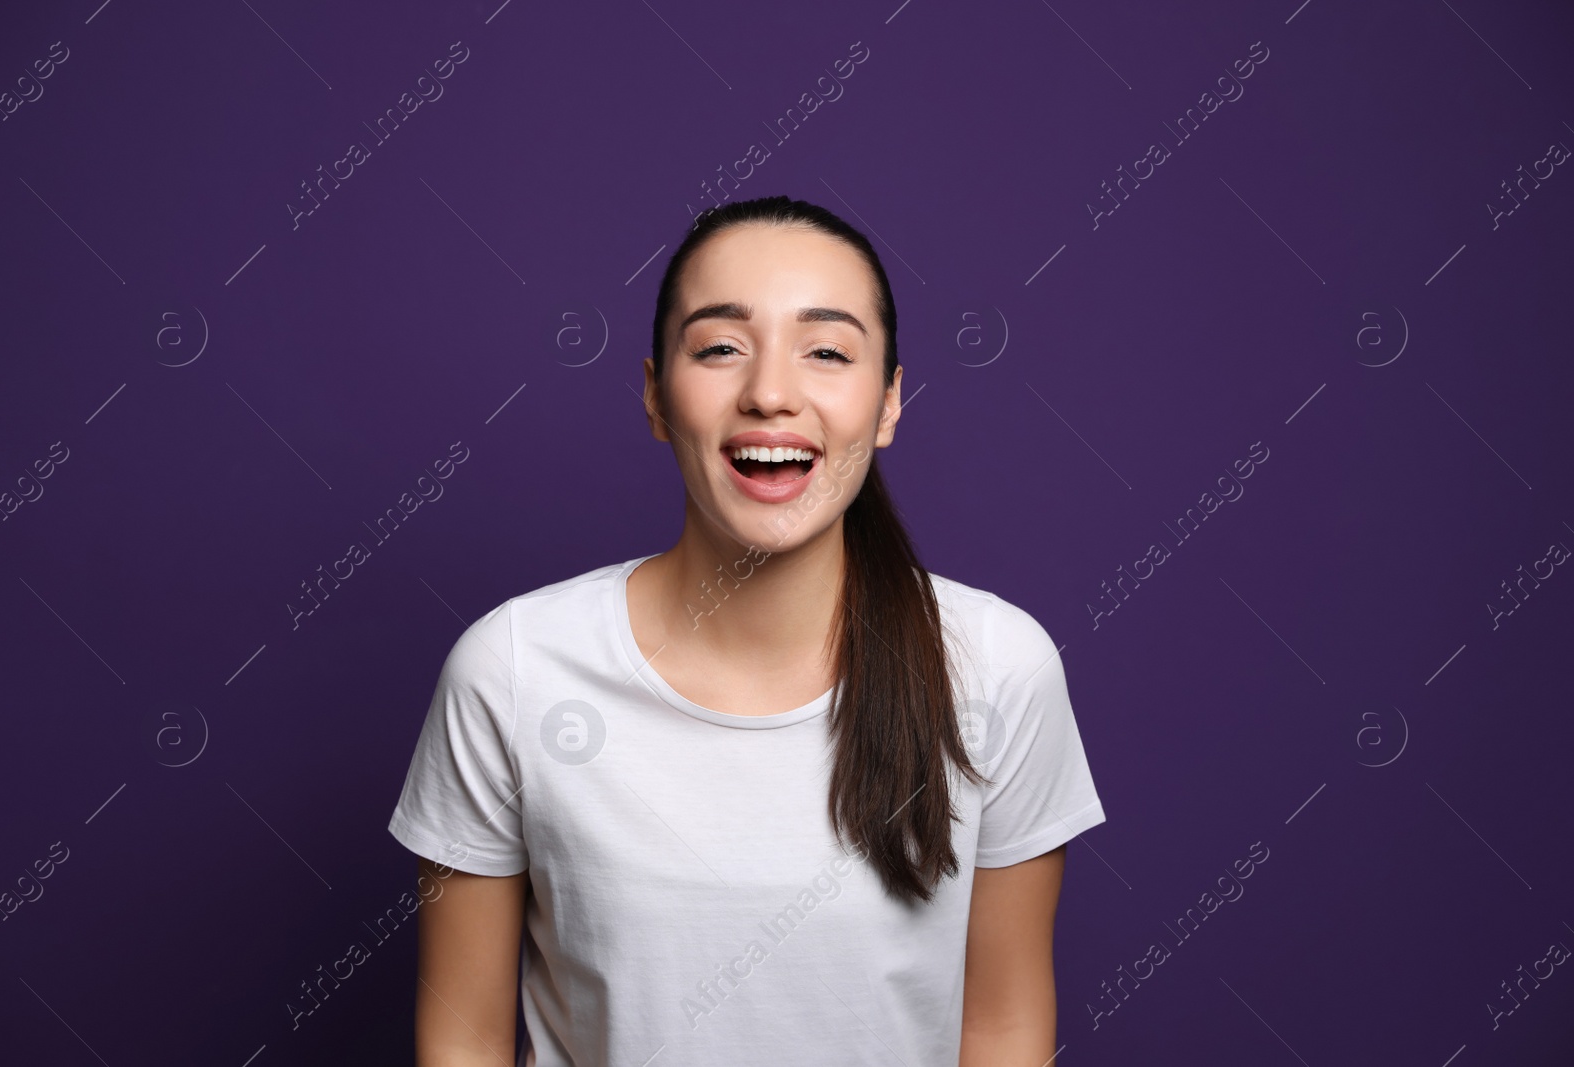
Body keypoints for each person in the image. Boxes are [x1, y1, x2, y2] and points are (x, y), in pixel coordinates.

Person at [387, 194, 1107, 1066]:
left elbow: (1001, 1029)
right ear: (656, 396)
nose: (770, 393)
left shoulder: (998, 667)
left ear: (888, 403)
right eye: (721, 347)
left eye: (828, 351)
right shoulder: (512, 669)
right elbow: (462, 1038)